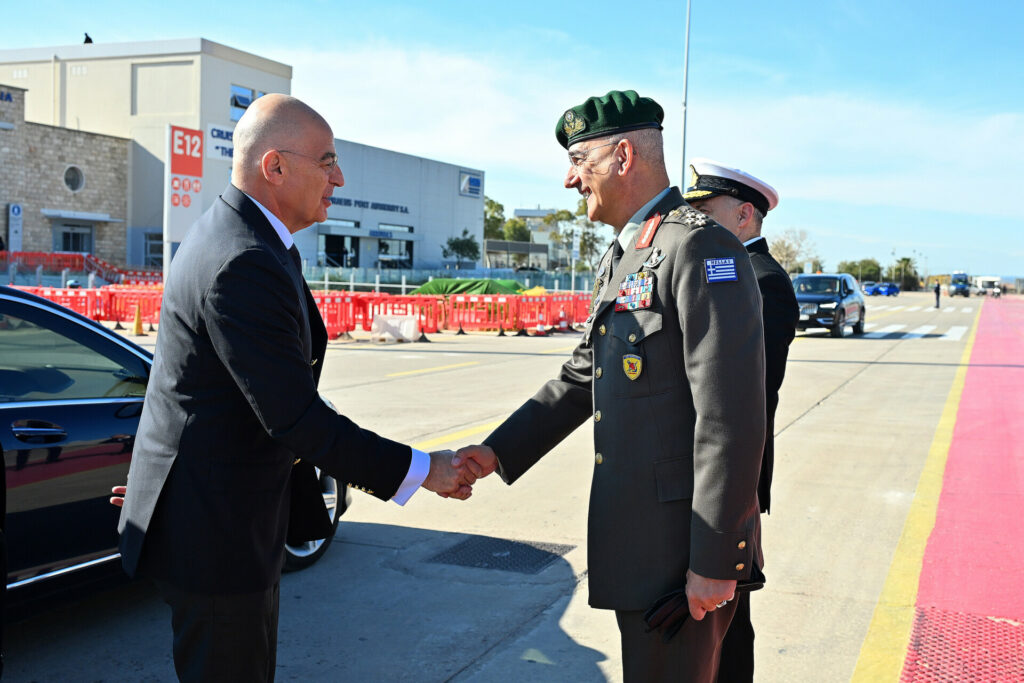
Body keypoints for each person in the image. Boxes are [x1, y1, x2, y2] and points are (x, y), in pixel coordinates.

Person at [116, 94, 474, 682]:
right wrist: (420, 469)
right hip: (216, 539)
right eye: (327, 160)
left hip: (224, 522)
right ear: (275, 167)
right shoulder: (242, 260)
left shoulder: (250, 240)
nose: (339, 177)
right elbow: (295, 418)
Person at [456, 90, 766, 682]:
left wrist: (713, 561)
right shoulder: (630, 250)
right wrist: (496, 451)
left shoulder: (698, 246)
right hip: (642, 546)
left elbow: (729, 419)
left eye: (580, 160)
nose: (570, 179)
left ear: (623, 155)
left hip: (683, 554)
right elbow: (582, 376)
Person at [684, 159, 799, 682]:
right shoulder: (723, 270)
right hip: (700, 464)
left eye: (708, 212)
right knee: (709, 618)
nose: (698, 223)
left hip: (734, 472)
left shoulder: (763, 281)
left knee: (729, 620)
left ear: (746, 216)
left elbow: (745, 394)